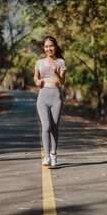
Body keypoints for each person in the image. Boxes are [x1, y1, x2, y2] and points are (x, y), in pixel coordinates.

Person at [34, 36, 67, 166]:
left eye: (51, 46)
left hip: (56, 97)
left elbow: (62, 82)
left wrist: (56, 73)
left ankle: (53, 154)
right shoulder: (39, 62)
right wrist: (37, 81)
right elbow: (35, 78)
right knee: (46, 127)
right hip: (42, 96)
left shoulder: (61, 62)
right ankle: (46, 156)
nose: (49, 48)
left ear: (55, 47)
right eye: (46, 46)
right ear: (43, 48)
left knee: (54, 127)